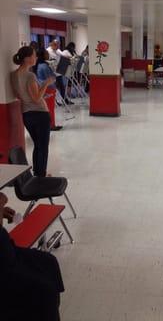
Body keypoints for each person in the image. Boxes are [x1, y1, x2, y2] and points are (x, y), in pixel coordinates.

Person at [0, 192, 64, 321]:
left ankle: (51, 309)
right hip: (4, 267)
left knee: (49, 262)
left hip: (9, 251)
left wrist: (2, 211)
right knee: (44, 290)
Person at [11, 46, 54, 177]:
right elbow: (36, 99)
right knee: (43, 146)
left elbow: (20, 95)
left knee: (37, 144)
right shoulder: (30, 75)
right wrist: (46, 84)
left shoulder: (13, 75)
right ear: (27, 58)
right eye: (34, 56)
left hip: (26, 114)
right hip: (40, 113)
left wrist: (39, 94)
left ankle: (38, 172)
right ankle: (41, 175)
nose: (36, 58)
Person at [34, 48, 63, 131]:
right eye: (46, 53)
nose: (48, 55)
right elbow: (50, 78)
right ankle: (51, 125)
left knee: (47, 108)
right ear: (43, 56)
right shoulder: (44, 66)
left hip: (44, 89)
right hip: (49, 89)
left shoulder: (39, 65)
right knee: (50, 108)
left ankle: (48, 125)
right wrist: (54, 76)